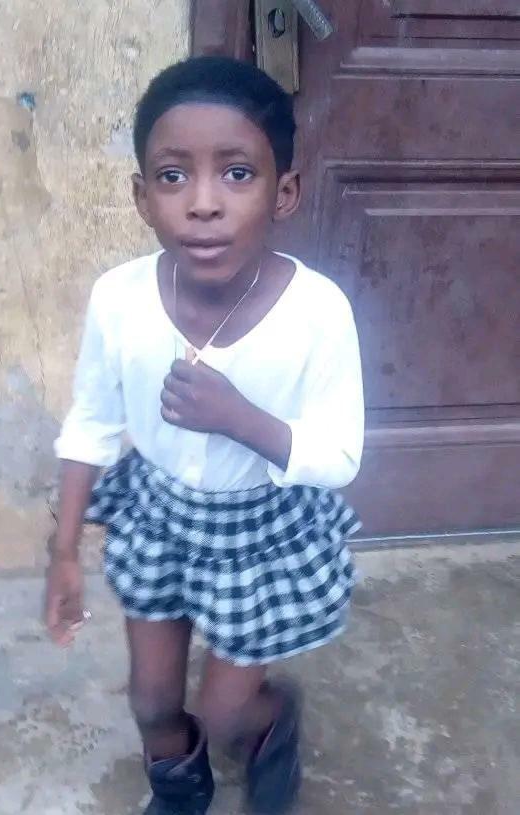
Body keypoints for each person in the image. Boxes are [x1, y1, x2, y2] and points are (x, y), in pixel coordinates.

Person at [45, 55, 364, 815]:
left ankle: (269, 718)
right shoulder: (119, 299)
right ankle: (180, 794)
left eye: (238, 173)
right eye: (173, 176)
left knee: (220, 715)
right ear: (141, 197)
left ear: (284, 192)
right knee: (153, 701)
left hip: (262, 533)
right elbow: (92, 421)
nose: (204, 204)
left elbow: (341, 455)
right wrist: (63, 550)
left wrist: (239, 418)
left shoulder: (318, 312)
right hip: (159, 517)